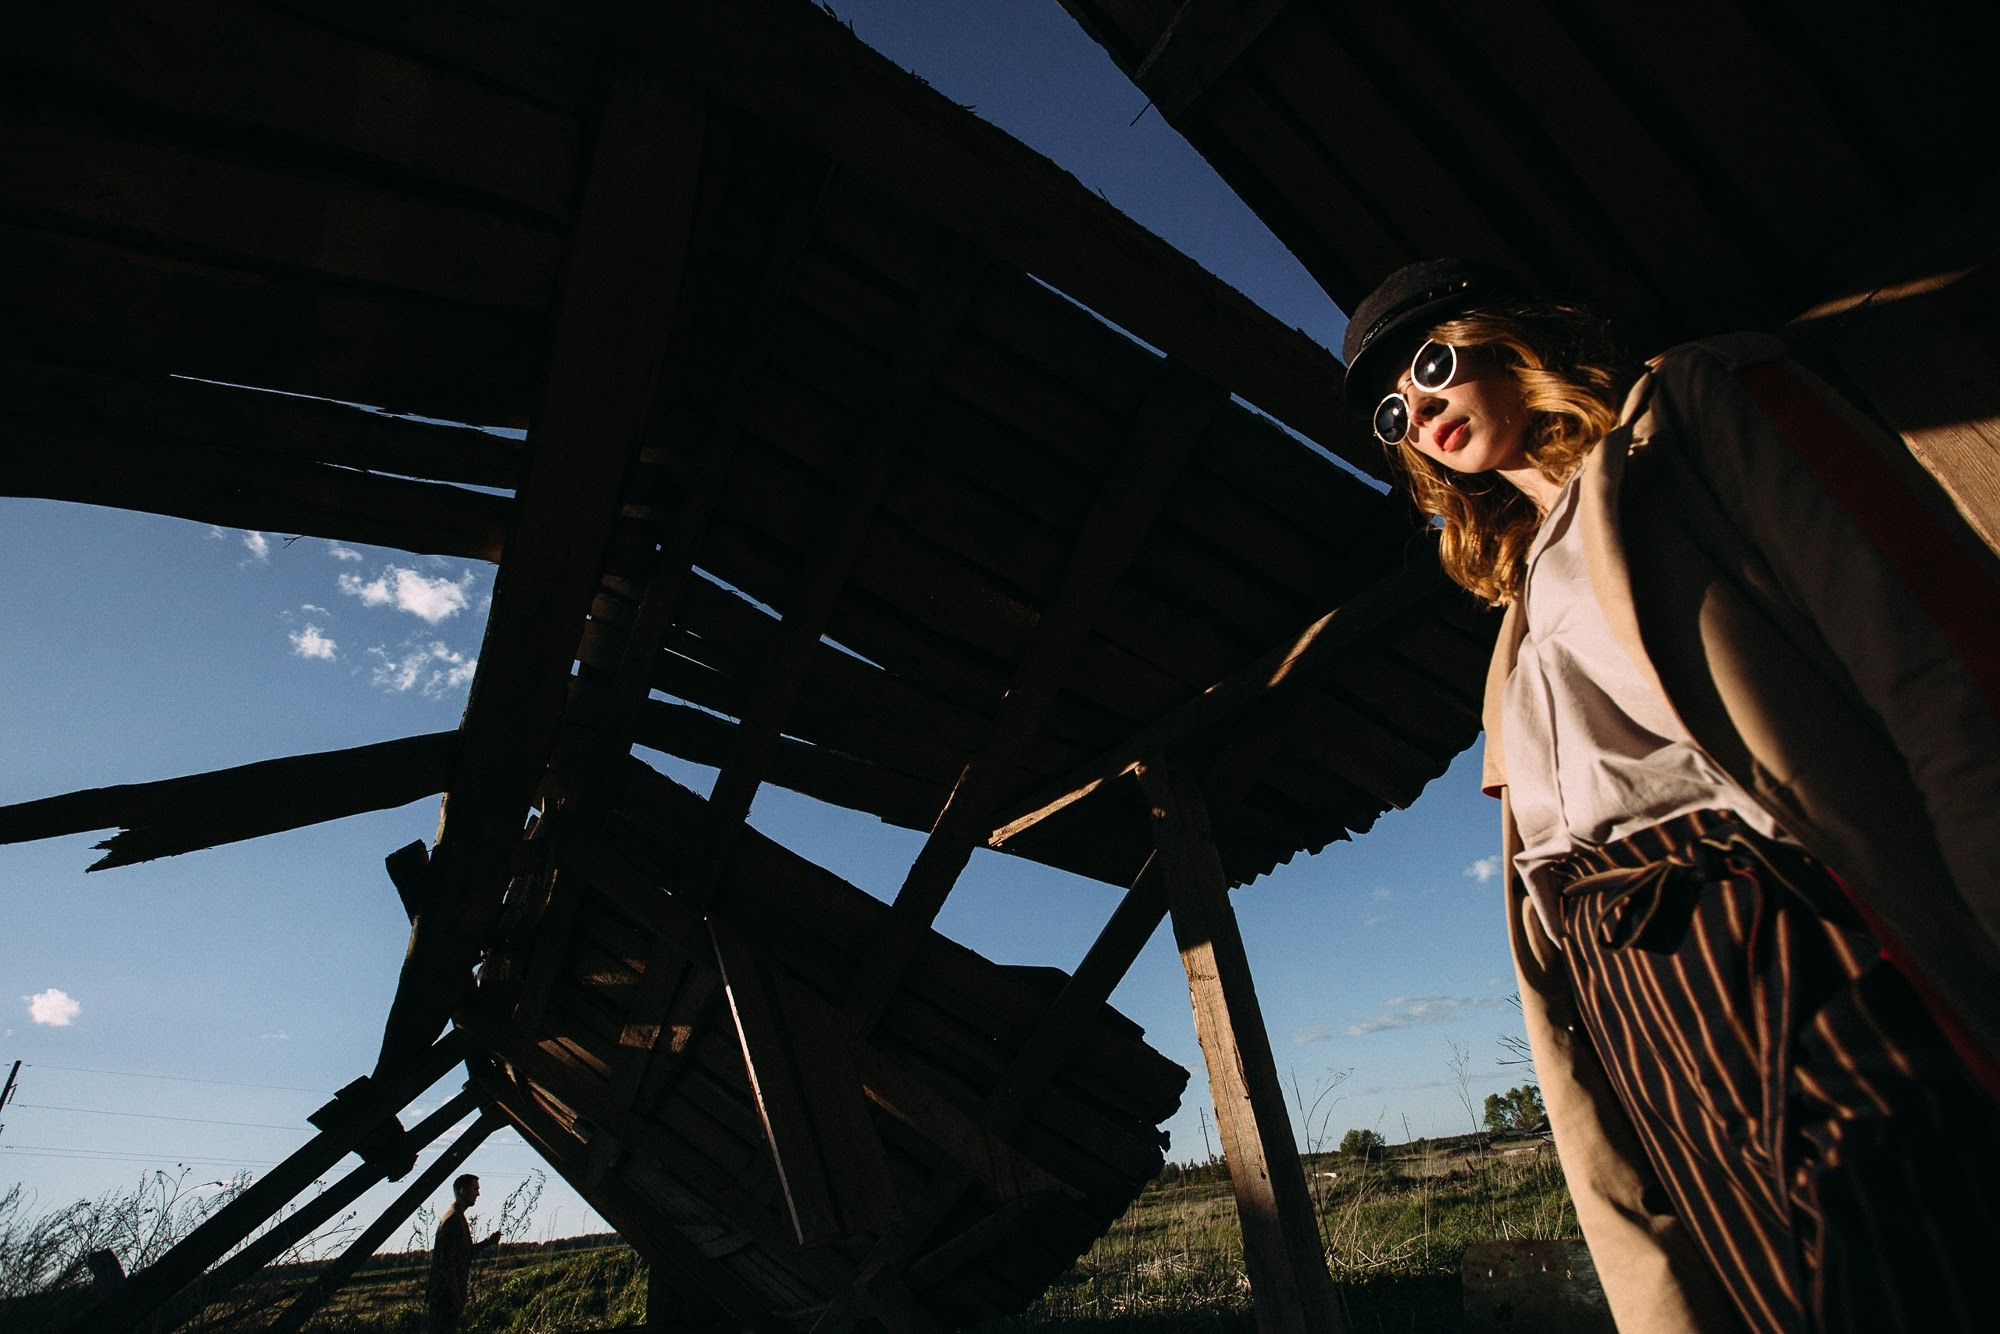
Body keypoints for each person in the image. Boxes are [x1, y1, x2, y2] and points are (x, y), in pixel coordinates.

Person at [1341, 258, 2000, 1333]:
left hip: (1770, 932)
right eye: (1390, 410)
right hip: (1633, 1014)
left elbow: (1926, 658)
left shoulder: (1689, 421)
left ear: (1505, 337)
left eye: (1427, 362)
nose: (1414, 409)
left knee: (1909, 1274)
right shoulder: (1510, 634)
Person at [426, 1172, 501, 1333]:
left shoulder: (456, 1215)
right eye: (475, 1189)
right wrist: (456, 1297)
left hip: (446, 1295)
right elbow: (447, 1263)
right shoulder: (453, 1219)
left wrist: (488, 1242)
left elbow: (463, 1253)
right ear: (462, 1191)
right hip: (445, 1297)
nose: (478, 1194)